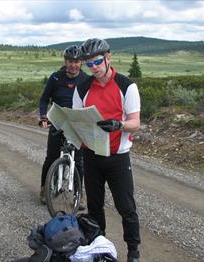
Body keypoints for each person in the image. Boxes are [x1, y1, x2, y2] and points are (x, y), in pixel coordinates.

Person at [73, 38, 141, 262]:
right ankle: (99, 247)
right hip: (91, 155)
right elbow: (76, 118)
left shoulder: (126, 85)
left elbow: (135, 122)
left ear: (108, 58)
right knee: (95, 206)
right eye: (89, 64)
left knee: (126, 207)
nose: (93, 67)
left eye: (97, 62)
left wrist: (119, 125)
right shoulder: (82, 87)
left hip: (118, 157)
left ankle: (133, 251)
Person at [38, 45, 89, 206]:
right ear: (65, 62)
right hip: (58, 121)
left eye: (76, 61)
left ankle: (78, 195)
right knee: (51, 157)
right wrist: (43, 116)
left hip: (77, 124)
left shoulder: (86, 80)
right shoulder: (56, 78)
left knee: (79, 161)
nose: (73, 65)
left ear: (81, 63)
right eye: (69, 61)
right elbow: (44, 99)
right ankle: (44, 188)